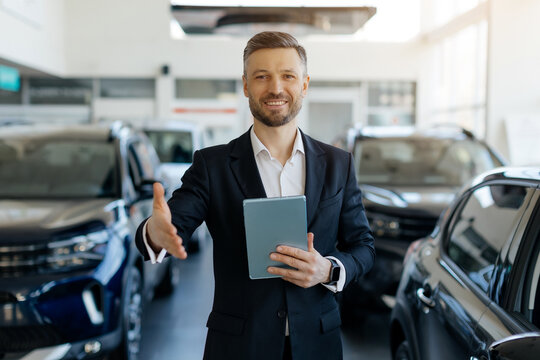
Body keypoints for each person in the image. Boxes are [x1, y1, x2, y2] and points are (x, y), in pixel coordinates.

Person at [135, 31, 375, 360]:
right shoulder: (212, 165)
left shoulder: (338, 164)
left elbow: (363, 247)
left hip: (318, 345)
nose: (276, 88)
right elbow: (172, 225)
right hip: (239, 346)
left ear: (304, 85)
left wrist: (329, 270)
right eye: (262, 77)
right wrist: (155, 232)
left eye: (288, 76)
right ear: (246, 86)